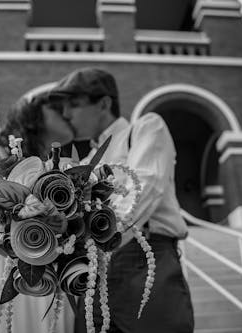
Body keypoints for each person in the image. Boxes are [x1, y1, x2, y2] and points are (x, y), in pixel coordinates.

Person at [48, 68, 194, 333]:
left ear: (103, 103)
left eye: (74, 105)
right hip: (92, 275)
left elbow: (143, 191)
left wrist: (91, 238)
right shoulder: (85, 161)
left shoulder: (145, 128)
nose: (66, 114)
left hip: (144, 262)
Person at [0, 88, 76, 333]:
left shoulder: (64, 169)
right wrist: (39, 248)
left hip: (51, 280)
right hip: (7, 272)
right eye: (57, 107)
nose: (67, 113)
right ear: (32, 114)